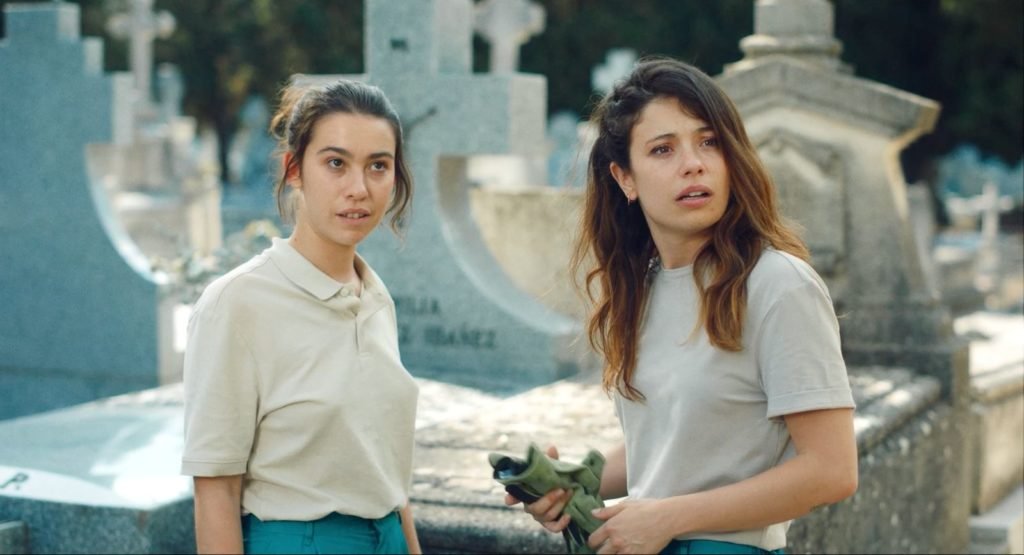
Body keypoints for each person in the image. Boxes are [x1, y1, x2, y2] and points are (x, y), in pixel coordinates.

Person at [507, 57, 858, 554]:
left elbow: (832, 471)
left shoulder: (779, 284)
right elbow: (675, 444)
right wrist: (576, 481)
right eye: (663, 149)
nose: (693, 163)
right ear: (625, 178)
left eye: (709, 142)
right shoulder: (642, 289)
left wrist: (668, 517)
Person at [181, 78, 421, 555]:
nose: (359, 189)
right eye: (336, 163)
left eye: (378, 166)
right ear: (294, 169)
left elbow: (387, 476)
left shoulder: (375, 297)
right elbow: (215, 492)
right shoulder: (236, 303)